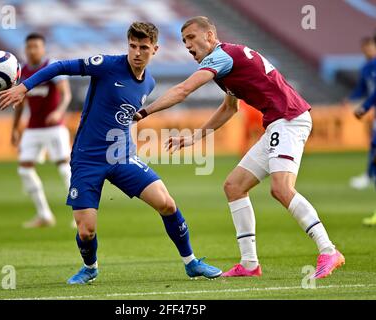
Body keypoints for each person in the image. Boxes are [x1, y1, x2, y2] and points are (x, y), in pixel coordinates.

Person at [0, 22, 222, 284]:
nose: (137, 52)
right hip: (87, 158)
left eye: (144, 48)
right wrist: (24, 87)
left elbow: (124, 114)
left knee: (167, 204)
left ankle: (191, 263)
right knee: (87, 231)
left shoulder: (148, 82)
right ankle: (90, 268)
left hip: (122, 156)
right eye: (133, 46)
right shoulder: (106, 65)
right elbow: (59, 67)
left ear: (155, 50)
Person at [134, 16, 344, 279]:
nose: (187, 45)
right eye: (184, 40)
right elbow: (229, 108)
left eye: (191, 38)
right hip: (278, 123)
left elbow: (185, 89)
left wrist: (144, 112)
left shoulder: (221, 57)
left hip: (289, 119)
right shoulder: (228, 61)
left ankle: (328, 250)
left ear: (210, 36)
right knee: (234, 186)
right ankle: (249, 264)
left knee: (281, 188)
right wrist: (194, 138)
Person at [12, 33, 73, 228]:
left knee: (65, 168)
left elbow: (66, 95)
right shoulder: (22, 71)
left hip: (55, 127)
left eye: (36, 46)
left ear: (43, 48)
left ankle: (79, 213)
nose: (32, 50)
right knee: (24, 169)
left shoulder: (52, 67)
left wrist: (58, 112)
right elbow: (20, 103)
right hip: (32, 128)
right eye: (29, 47)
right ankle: (44, 215)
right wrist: (15, 127)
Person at [349, 37, 376, 226]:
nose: (367, 50)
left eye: (370, 46)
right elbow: (362, 89)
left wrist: (364, 107)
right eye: (364, 47)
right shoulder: (366, 68)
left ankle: (368, 174)